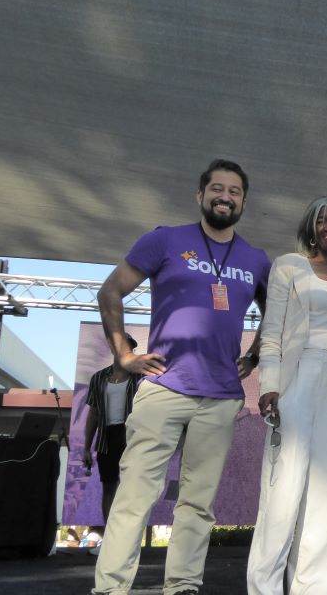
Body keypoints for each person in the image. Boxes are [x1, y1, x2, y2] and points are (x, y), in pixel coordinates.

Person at [92, 159, 270, 595]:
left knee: (197, 503)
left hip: (222, 396)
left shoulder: (256, 259)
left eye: (234, 191)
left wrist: (257, 352)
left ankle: (183, 585)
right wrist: (123, 356)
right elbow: (110, 291)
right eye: (217, 189)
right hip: (163, 389)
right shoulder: (165, 240)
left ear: (244, 201)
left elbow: (277, 315)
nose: (224, 196)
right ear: (200, 195)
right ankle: (110, 588)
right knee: (134, 495)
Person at [247, 196, 327, 595]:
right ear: (311, 227)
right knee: (284, 484)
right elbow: (272, 331)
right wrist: (269, 384)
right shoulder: (289, 265)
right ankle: (265, 586)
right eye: (322, 219)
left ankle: (316, 586)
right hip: (296, 374)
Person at [82, 332, 142, 524]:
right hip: (106, 437)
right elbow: (93, 414)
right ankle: (109, 538)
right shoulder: (98, 378)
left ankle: (128, 536)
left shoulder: (141, 377)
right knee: (109, 486)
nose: (125, 350)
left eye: (128, 347)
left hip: (132, 436)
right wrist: (86, 447)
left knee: (132, 487)